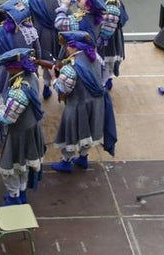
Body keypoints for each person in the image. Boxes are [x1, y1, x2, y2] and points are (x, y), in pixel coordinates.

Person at [49, 30, 117, 173]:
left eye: (68, 45)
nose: (66, 48)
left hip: (78, 105)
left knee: (71, 134)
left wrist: (53, 78)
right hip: (96, 102)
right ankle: (83, 158)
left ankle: (66, 162)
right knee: (90, 132)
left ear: (75, 47)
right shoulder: (96, 58)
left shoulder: (70, 68)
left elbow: (63, 90)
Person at [0, 47, 46, 206]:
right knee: (24, 165)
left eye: (8, 66)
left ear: (15, 67)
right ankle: (21, 193)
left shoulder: (18, 90)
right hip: (31, 128)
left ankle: (14, 197)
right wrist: (3, 107)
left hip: (18, 134)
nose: (6, 69)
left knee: (12, 167)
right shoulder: (32, 77)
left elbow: (7, 119)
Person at [0, 0, 42, 100]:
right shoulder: (31, 31)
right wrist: (35, 65)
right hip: (27, 68)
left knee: (7, 98)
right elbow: (38, 51)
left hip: (7, 70)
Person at [24, 0, 65, 97]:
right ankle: (47, 86)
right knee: (51, 59)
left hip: (36, 34)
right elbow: (66, 13)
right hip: (55, 33)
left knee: (35, 59)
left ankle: (33, 87)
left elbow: (22, 13)